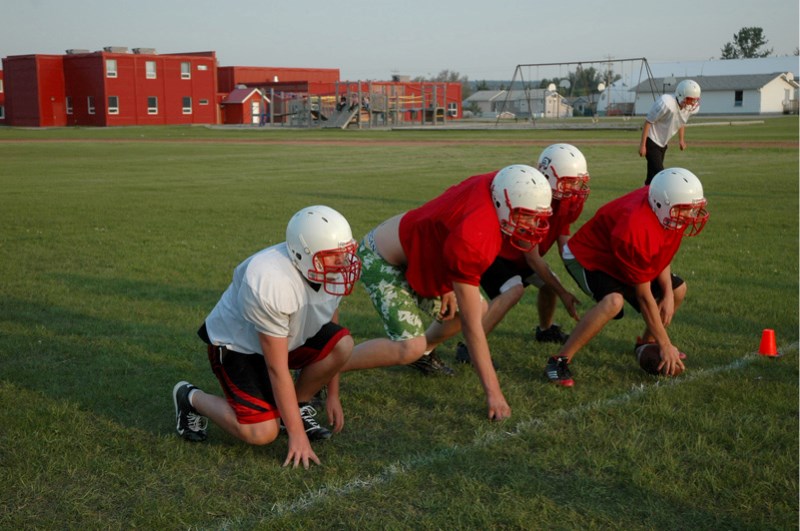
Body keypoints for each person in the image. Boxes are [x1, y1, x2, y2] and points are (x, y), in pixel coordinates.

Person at [342, 164, 553, 420]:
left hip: (416, 248)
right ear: (502, 203)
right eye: (526, 216)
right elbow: (472, 327)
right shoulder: (475, 236)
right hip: (382, 257)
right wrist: (494, 393)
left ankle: (425, 353)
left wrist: (447, 283)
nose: (533, 224)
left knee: (472, 310)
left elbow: (444, 217)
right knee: (409, 346)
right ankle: (322, 367)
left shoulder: (497, 183)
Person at [172, 205, 362, 469]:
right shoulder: (270, 280)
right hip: (238, 345)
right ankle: (191, 397)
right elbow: (276, 367)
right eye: (334, 256)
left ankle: (293, 409)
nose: (343, 263)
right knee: (262, 433)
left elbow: (331, 318)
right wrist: (297, 437)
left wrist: (333, 394)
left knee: (342, 344)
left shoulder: (325, 269)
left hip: (287, 336)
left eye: (345, 253)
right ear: (303, 254)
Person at [544, 168, 709, 387]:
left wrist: (669, 293)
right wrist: (667, 344)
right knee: (613, 301)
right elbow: (643, 296)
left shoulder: (665, 208)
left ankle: (646, 344)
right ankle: (559, 361)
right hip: (588, 258)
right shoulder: (636, 226)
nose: (690, 216)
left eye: (692, 209)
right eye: (685, 210)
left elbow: (661, 252)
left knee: (678, 289)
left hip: (618, 255)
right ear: (662, 205)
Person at [454, 144, 588, 365]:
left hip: (523, 253)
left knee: (548, 284)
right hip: (499, 253)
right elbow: (533, 259)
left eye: (578, 180)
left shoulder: (567, 200)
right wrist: (564, 292)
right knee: (514, 290)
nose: (576, 187)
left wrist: (580, 269)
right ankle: (469, 347)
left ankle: (545, 329)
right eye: (570, 181)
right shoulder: (530, 193)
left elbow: (563, 233)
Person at [639, 80, 701, 185]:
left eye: (694, 100)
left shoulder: (688, 108)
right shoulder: (666, 103)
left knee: (652, 177)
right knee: (662, 175)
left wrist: (681, 140)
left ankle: (645, 196)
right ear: (681, 95)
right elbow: (648, 121)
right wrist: (643, 145)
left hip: (663, 144)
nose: (692, 103)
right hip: (652, 141)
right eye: (690, 99)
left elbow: (681, 122)